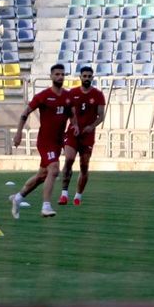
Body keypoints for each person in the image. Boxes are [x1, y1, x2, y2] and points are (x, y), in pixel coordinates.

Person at [9, 64, 72, 219]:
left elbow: (73, 117)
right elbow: (25, 113)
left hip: (57, 142)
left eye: (62, 74)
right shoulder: (43, 96)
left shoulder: (68, 97)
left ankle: (18, 198)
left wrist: (74, 130)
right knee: (54, 169)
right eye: (57, 74)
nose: (60, 77)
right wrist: (18, 134)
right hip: (45, 141)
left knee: (41, 176)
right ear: (51, 76)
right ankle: (46, 206)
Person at [58, 65, 105, 205]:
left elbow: (101, 116)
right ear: (80, 77)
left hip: (87, 136)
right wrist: (74, 124)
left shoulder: (98, 95)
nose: (87, 78)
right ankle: (64, 194)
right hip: (73, 133)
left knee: (84, 165)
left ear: (92, 78)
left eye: (89, 76)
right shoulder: (72, 93)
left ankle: (78, 196)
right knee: (69, 159)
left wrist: (92, 126)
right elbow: (67, 112)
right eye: (84, 76)